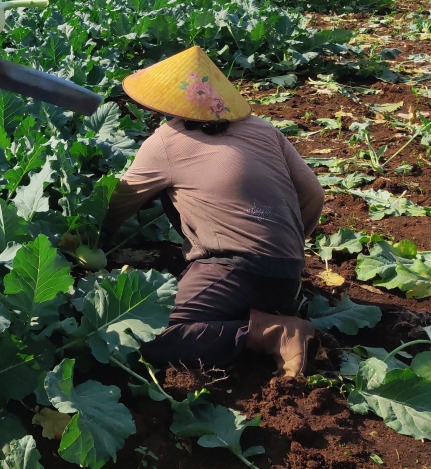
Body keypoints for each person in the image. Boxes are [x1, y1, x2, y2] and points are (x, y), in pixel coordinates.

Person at [106, 46, 324, 377]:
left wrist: (90, 239)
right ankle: (263, 312)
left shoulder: (166, 142)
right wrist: (283, 249)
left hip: (234, 271)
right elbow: (314, 195)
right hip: (288, 277)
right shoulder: (264, 130)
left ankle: (271, 333)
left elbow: (118, 204)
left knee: (138, 331)